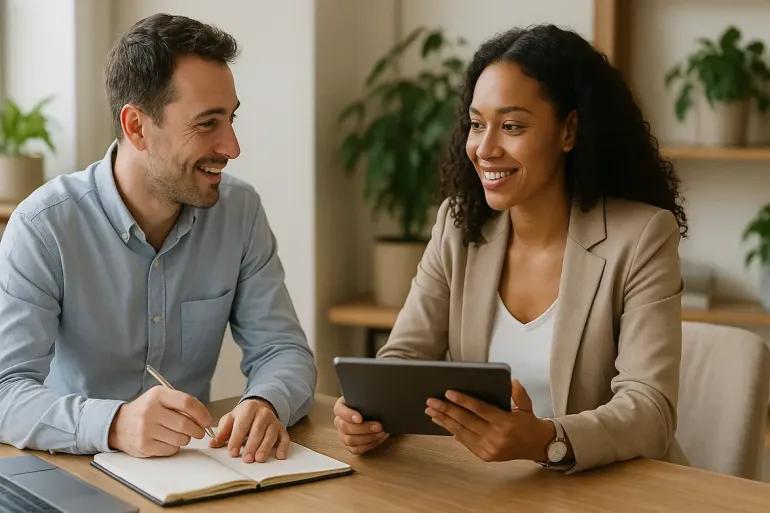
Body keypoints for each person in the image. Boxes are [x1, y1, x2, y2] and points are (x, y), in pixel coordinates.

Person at [333, 24, 689, 473]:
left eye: (513, 126)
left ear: (569, 130)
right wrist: (368, 413)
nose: (485, 148)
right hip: (489, 486)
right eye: (477, 124)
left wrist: (547, 440)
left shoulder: (641, 238)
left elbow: (650, 411)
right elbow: (404, 357)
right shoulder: (458, 225)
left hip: (608, 487)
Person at [0, 13, 316, 464]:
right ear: (137, 127)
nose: (232, 146)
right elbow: (4, 390)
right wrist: (115, 424)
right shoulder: (43, 226)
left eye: (230, 119)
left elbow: (283, 350)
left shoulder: (239, 213)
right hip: (72, 471)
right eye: (207, 123)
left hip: (193, 474)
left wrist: (265, 402)